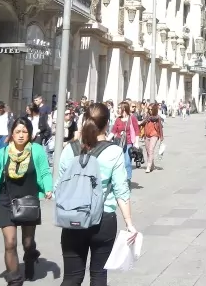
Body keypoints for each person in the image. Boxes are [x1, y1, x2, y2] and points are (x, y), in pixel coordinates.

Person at [58, 103, 137, 286]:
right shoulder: (114, 151)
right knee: (99, 276)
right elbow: (121, 191)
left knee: (72, 277)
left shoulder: (69, 149)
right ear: (107, 124)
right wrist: (129, 224)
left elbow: (59, 185)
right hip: (103, 219)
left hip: (73, 219)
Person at [0, 116, 52, 284]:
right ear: (11, 134)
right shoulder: (2, 154)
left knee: (28, 242)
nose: (21, 135)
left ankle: (30, 256)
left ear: (30, 134)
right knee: (10, 243)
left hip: (28, 200)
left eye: (25, 131)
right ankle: (15, 280)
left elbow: (45, 171)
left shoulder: (36, 150)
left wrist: (48, 188)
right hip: (6, 200)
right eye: (17, 131)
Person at [110, 102, 139, 183]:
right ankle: (120, 178)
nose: (118, 109)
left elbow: (137, 130)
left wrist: (136, 142)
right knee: (119, 162)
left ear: (124, 109)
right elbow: (113, 131)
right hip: (119, 143)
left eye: (119, 108)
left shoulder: (132, 118)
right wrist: (106, 140)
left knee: (127, 161)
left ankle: (128, 179)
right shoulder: (118, 119)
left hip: (128, 142)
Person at [142, 103, 164, 173]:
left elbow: (160, 127)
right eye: (149, 109)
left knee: (151, 149)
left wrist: (161, 136)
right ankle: (152, 164)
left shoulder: (157, 118)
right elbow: (142, 123)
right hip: (146, 135)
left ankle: (148, 166)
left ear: (154, 110)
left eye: (151, 109)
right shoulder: (147, 117)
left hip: (154, 135)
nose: (150, 111)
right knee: (148, 151)